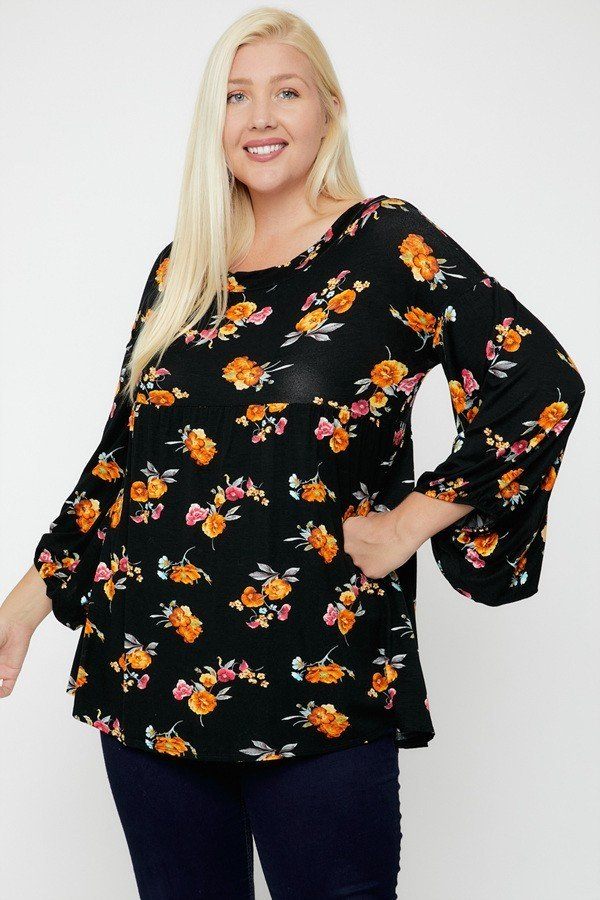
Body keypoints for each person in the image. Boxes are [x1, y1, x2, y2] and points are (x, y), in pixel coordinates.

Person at [0, 7, 586, 899]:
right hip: (150, 673)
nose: (261, 117)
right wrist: (27, 601)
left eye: (286, 92)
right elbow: (125, 456)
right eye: (236, 96)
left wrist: (408, 524)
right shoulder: (184, 267)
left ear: (328, 111)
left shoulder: (387, 244)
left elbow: (538, 380)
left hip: (320, 674)